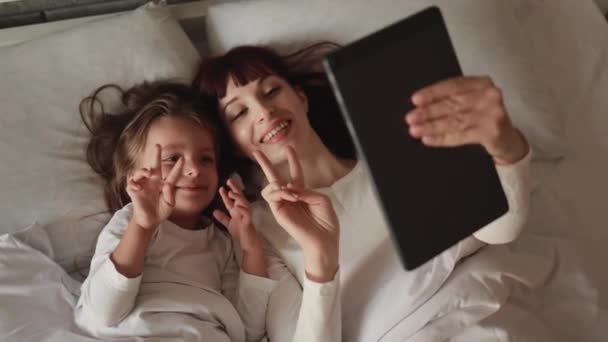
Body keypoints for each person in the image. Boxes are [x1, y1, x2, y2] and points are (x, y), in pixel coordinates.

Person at [194, 43, 533, 341]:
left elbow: (500, 229)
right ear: (233, 145)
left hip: (486, 312)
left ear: (300, 97)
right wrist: (320, 258)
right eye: (239, 112)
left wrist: (506, 147)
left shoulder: (394, 151)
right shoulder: (261, 229)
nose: (264, 111)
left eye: (271, 91)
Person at [74, 81, 275, 342]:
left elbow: (248, 329)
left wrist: (251, 249)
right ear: (135, 176)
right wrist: (142, 227)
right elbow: (103, 311)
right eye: (172, 159)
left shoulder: (221, 243)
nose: (193, 170)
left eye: (205, 159)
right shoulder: (128, 223)